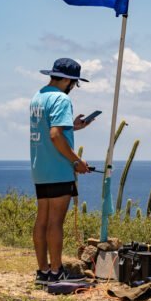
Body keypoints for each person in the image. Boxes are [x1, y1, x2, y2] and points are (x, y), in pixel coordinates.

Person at [30, 58, 93, 286]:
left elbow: (50, 127)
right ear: (67, 80)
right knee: (56, 222)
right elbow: (56, 135)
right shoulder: (61, 99)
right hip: (58, 168)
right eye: (74, 82)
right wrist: (76, 161)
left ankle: (43, 271)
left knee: (42, 220)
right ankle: (56, 272)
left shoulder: (38, 96)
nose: (73, 87)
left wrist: (73, 126)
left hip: (40, 167)